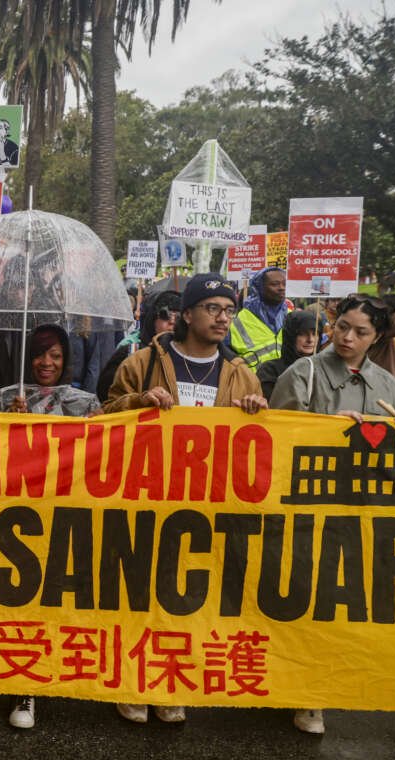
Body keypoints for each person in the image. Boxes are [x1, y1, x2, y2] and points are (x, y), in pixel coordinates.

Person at [105, 274, 268, 725]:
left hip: (207, 507)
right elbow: (104, 417)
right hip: (146, 500)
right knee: (138, 594)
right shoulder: (142, 362)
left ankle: (170, 680)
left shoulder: (241, 373)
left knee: (188, 596)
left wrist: (256, 412)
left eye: (229, 311)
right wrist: (138, 401)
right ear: (188, 314)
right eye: (213, 308)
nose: (223, 318)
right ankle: (133, 681)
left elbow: (259, 441)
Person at [271, 295, 395, 735]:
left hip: (359, 512)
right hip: (304, 508)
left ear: (378, 337)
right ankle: (283, 681)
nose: (347, 337)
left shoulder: (387, 385)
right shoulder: (303, 373)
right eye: (342, 326)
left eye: (360, 331)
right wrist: (325, 432)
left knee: (339, 599)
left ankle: (315, 692)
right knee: (294, 596)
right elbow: (276, 437)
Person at [0, 324, 99, 730]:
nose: (47, 363)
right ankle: (23, 684)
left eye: (56, 355)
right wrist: (7, 424)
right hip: (15, 519)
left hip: (64, 515)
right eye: (40, 354)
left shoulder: (84, 402)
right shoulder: (6, 398)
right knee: (20, 598)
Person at [96, 290, 180, 402]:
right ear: (152, 319)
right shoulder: (130, 352)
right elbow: (107, 396)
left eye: (178, 317)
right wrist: (140, 400)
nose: (172, 322)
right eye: (165, 315)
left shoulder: (192, 358)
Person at [228, 266, 288, 371]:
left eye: (285, 284)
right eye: (275, 284)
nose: (282, 287)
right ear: (260, 287)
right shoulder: (240, 320)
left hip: (285, 383)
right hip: (251, 383)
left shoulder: (291, 317)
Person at [255, 310, 320, 401]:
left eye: (315, 334)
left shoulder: (324, 370)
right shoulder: (269, 371)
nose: (310, 339)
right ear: (291, 336)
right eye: (303, 334)